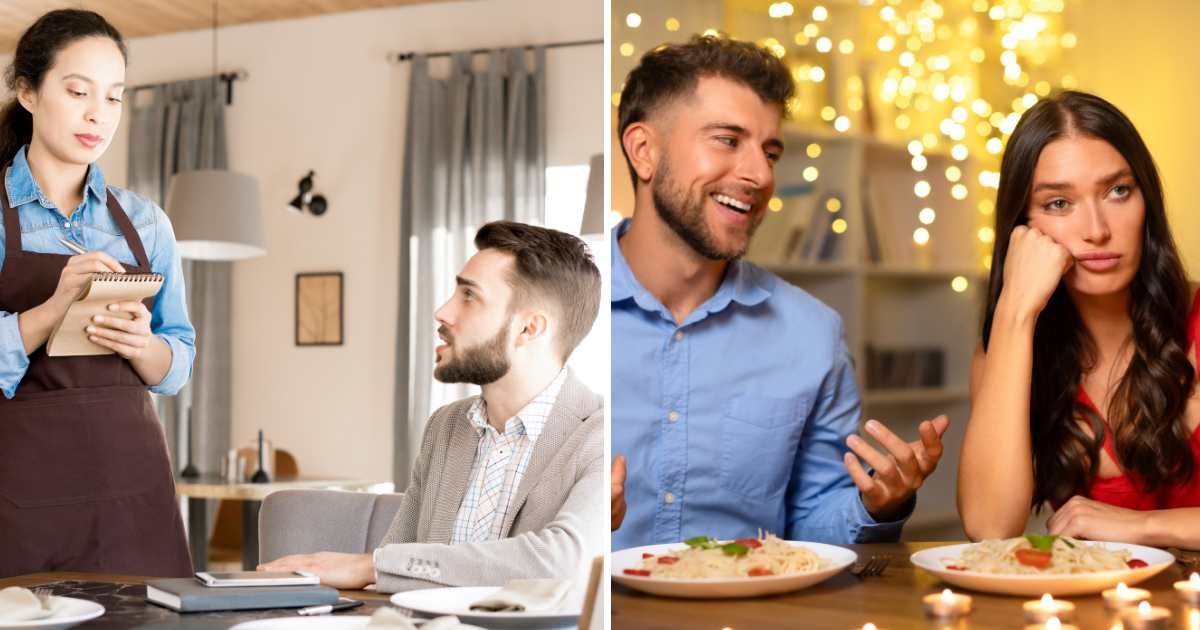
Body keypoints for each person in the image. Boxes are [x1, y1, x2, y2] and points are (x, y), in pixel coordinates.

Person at [609, 35, 949, 550]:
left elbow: (812, 522)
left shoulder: (811, 333)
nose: (760, 175)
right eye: (728, 140)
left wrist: (878, 503)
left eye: (770, 151)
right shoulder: (554, 307)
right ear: (644, 150)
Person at [260, 221, 604, 592]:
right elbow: (397, 563)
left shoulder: (599, 432)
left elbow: (563, 561)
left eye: (469, 296)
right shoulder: (447, 425)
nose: (442, 312)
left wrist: (370, 566)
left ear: (529, 329)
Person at [0, 9, 196, 577]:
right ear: (28, 92)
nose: (98, 114)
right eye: (78, 90)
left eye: (114, 97)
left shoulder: (146, 222)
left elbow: (177, 362)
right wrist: (53, 309)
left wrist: (139, 344)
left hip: (135, 493)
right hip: (19, 496)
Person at [957, 90, 1200, 546]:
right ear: (1024, 227)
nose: (1096, 229)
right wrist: (1015, 310)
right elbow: (990, 528)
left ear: (1147, 200)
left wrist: (1143, 527)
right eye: (1058, 204)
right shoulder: (1008, 350)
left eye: (1117, 191)